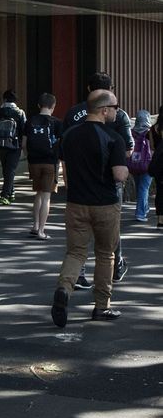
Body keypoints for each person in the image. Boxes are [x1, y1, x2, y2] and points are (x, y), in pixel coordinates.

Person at [51, 88, 128, 327]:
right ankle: (101, 307)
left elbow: (64, 165)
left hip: (75, 202)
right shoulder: (114, 138)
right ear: (104, 110)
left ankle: (64, 289)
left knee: (75, 253)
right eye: (115, 107)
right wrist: (125, 171)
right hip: (105, 204)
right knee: (106, 254)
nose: (117, 110)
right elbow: (118, 174)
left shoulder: (70, 135)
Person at [61, 72, 130, 286]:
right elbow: (127, 151)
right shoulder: (118, 116)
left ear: (89, 89)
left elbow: (64, 152)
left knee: (76, 247)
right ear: (111, 89)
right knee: (107, 245)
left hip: (78, 187)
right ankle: (114, 272)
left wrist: (66, 178)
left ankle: (73, 279)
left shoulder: (73, 113)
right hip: (107, 189)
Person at [23, 93, 63, 239]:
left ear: (39, 105)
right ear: (53, 106)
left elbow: (24, 144)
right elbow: (60, 143)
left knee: (38, 194)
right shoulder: (57, 123)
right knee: (46, 197)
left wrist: (29, 157)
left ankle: (34, 225)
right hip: (50, 163)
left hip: (34, 162)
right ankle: (41, 231)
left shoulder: (30, 121)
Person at [0, 89, 27, 204]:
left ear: (4, 99)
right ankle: (5, 195)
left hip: (0, 144)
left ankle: (11, 192)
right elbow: (24, 130)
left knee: (6, 169)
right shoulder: (20, 113)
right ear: (16, 100)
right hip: (15, 145)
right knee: (10, 169)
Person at [129, 108, 154, 222]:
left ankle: (145, 207)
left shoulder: (131, 132)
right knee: (144, 188)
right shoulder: (150, 132)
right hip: (147, 164)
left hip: (134, 164)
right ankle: (140, 213)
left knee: (141, 188)